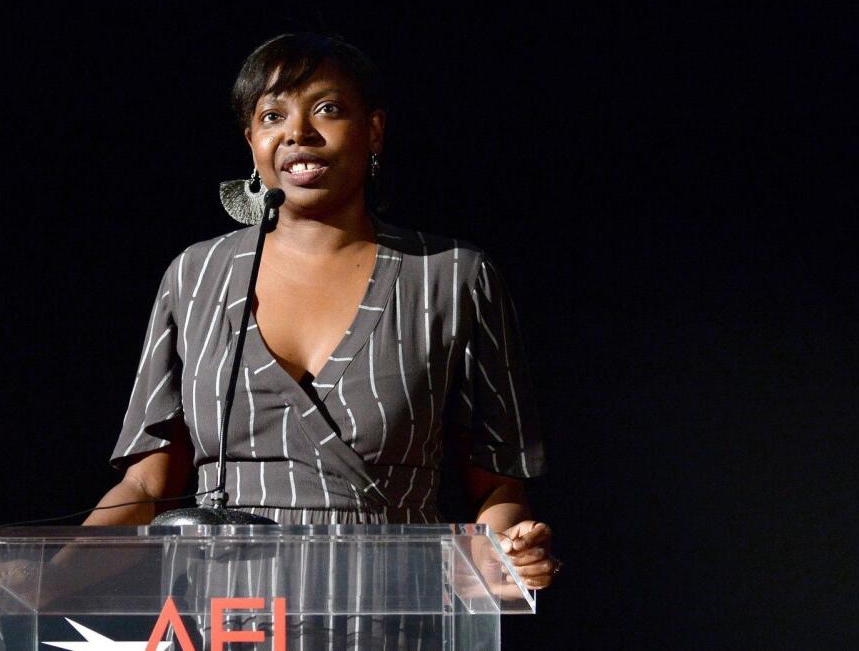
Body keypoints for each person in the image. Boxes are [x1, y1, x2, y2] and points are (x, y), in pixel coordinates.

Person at [88, 31, 559, 590]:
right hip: (231, 615)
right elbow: (145, 489)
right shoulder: (194, 277)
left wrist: (503, 553)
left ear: (374, 130)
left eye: (328, 109)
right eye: (272, 116)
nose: (297, 134)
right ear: (252, 142)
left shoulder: (453, 276)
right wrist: (41, 574)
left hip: (392, 608)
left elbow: (497, 485)